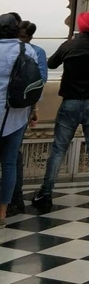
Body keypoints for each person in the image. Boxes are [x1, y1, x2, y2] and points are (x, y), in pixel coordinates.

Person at [32, 12, 89, 211]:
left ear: (80, 25)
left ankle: (46, 193)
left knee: (59, 149)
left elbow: (51, 64)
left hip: (71, 102)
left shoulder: (69, 45)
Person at [0, 13, 40, 225]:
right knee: (8, 164)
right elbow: (32, 83)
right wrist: (33, 109)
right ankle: (3, 212)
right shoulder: (27, 50)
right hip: (16, 116)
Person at [7, 21, 48, 215]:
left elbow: (36, 85)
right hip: (18, 112)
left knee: (12, 158)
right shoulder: (33, 51)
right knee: (11, 158)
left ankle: (15, 199)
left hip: (18, 112)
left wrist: (34, 108)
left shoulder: (34, 52)